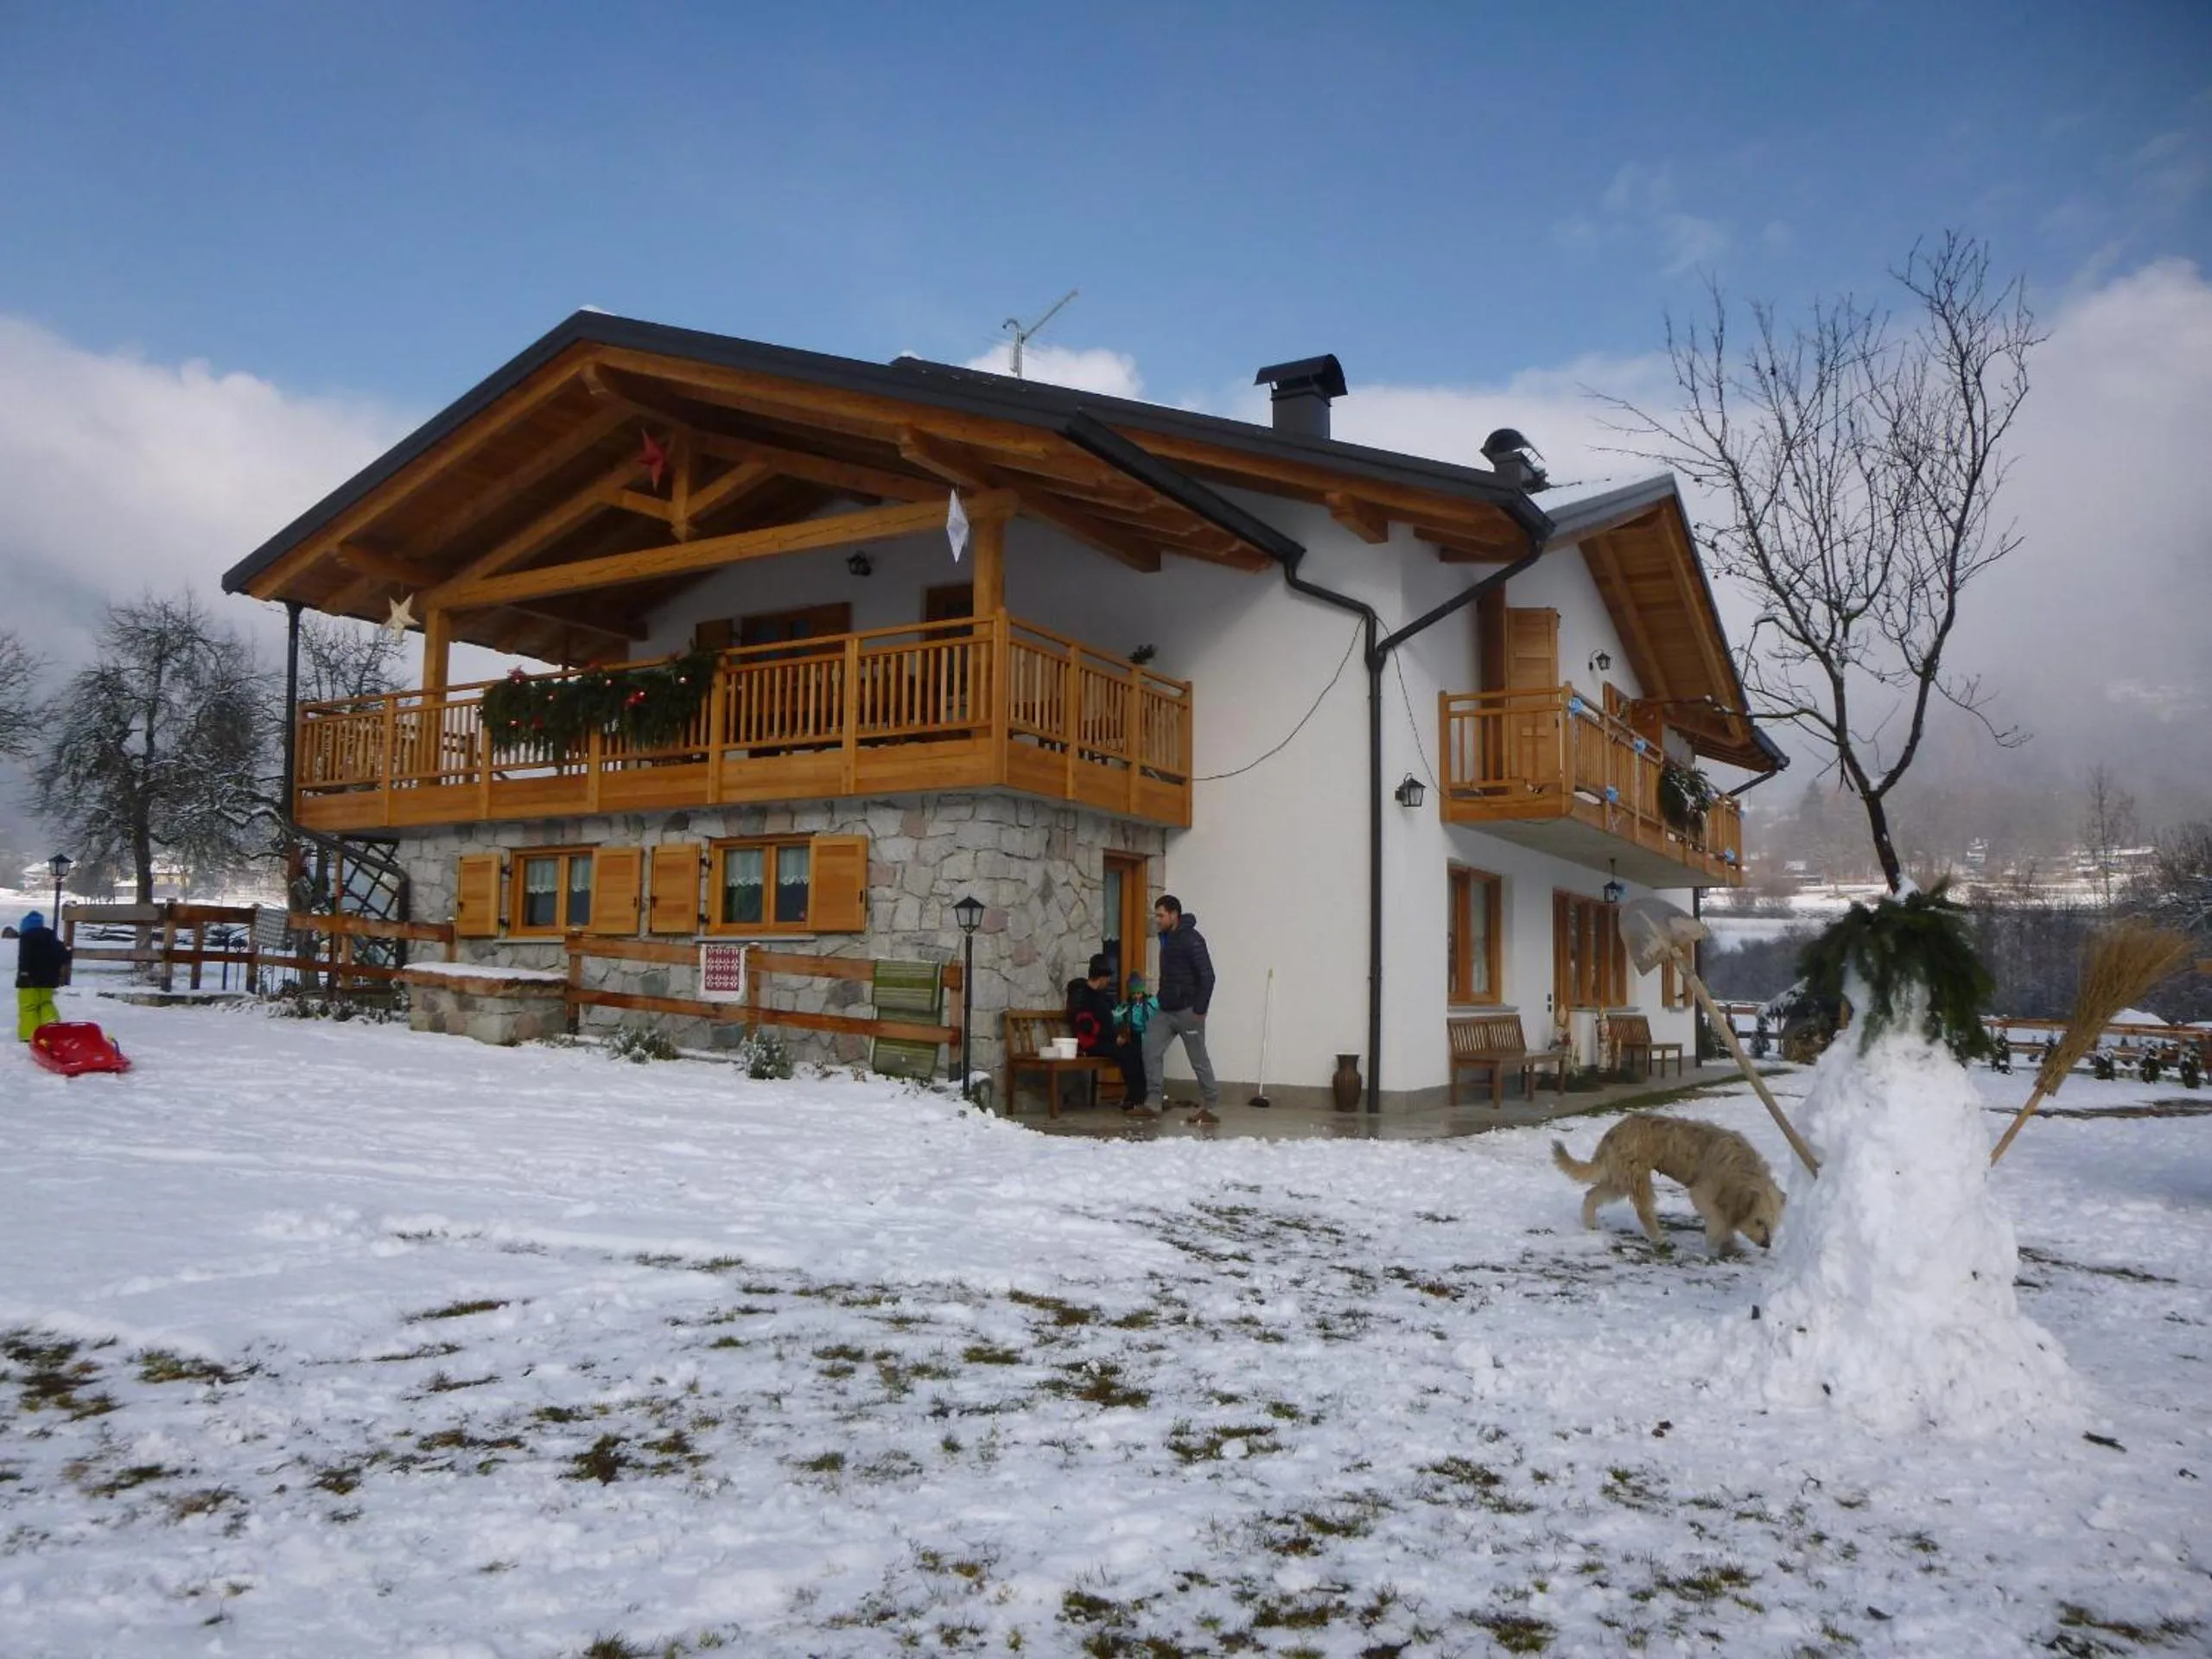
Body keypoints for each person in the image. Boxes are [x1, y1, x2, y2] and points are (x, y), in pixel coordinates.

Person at [1129, 894, 1219, 1124]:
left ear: (1173, 915)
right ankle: (1153, 1102)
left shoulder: (1191, 939)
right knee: (1149, 1047)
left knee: (1198, 1059)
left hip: (1189, 1010)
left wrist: (1200, 1009)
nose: (1157, 920)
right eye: (1156, 915)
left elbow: (1208, 976)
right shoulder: (1166, 938)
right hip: (1165, 1009)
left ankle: (1209, 1107)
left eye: (1160, 915)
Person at [1065, 952, 1141, 1108]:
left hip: (1107, 1040)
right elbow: (1087, 1025)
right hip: (1091, 1044)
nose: (1108, 981)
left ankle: (1140, 1095)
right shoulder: (1084, 996)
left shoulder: (1102, 995)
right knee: (1124, 1054)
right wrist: (1114, 1038)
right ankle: (1134, 1098)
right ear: (1101, 977)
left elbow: (1112, 1013)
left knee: (1135, 1051)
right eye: (1107, 978)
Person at [16, 912, 72, 1042]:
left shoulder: (26, 938)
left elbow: (25, 958)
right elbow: (64, 956)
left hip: (29, 981)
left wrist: (24, 973)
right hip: (49, 981)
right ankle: (52, 1029)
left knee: (28, 1006)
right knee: (45, 1003)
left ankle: (29, 1035)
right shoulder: (51, 938)